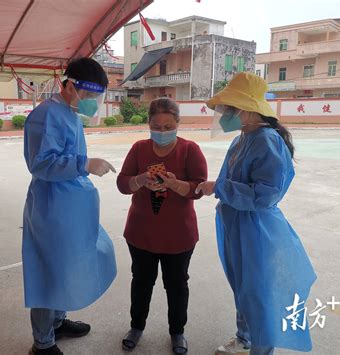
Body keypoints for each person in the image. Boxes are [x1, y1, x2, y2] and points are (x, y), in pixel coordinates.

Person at [195, 72, 316, 355]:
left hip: (257, 228)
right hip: (235, 224)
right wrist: (218, 188)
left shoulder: (266, 140)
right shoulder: (241, 139)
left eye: (230, 108)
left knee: (259, 293)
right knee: (243, 288)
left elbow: (266, 194)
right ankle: (244, 337)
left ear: (248, 110)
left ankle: (261, 349)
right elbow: (233, 182)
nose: (224, 114)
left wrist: (220, 187)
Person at [22, 57, 117, 355]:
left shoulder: (70, 114)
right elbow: (41, 164)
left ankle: (58, 322)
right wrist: (85, 164)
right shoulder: (46, 115)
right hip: (52, 208)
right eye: (88, 96)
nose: (91, 103)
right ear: (71, 86)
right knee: (48, 269)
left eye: (95, 98)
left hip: (70, 207)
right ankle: (43, 341)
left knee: (67, 264)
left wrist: (82, 167)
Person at [117, 98, 208, 355]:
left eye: (168, 126)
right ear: (149, 125)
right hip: (141, 233)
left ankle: (177, 331)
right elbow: (123, 183)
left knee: (177, 285)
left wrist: (174, 184)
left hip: (178, 235)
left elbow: (198, 188)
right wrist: (140, 180)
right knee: (141, 282)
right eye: (157, 126)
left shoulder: (190, 150)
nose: (162, 132)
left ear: (178, 124)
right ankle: (136, 326)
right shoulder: (139, 148)